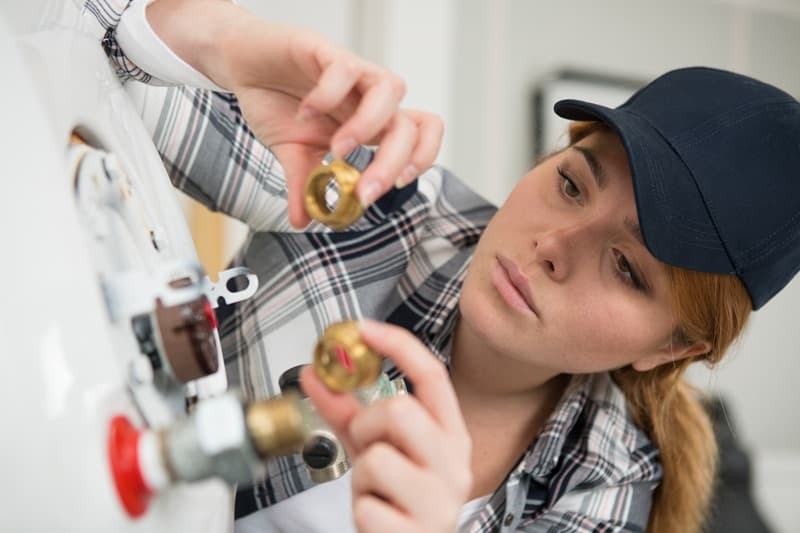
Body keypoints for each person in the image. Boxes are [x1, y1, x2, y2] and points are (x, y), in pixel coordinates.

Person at [84, 1, 800, 532]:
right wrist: (214, 37)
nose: (553, 243)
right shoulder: (384, 198)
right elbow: (75, 39)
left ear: (671, 347)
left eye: (628, 268)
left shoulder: (604, 490)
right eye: (573, 182)